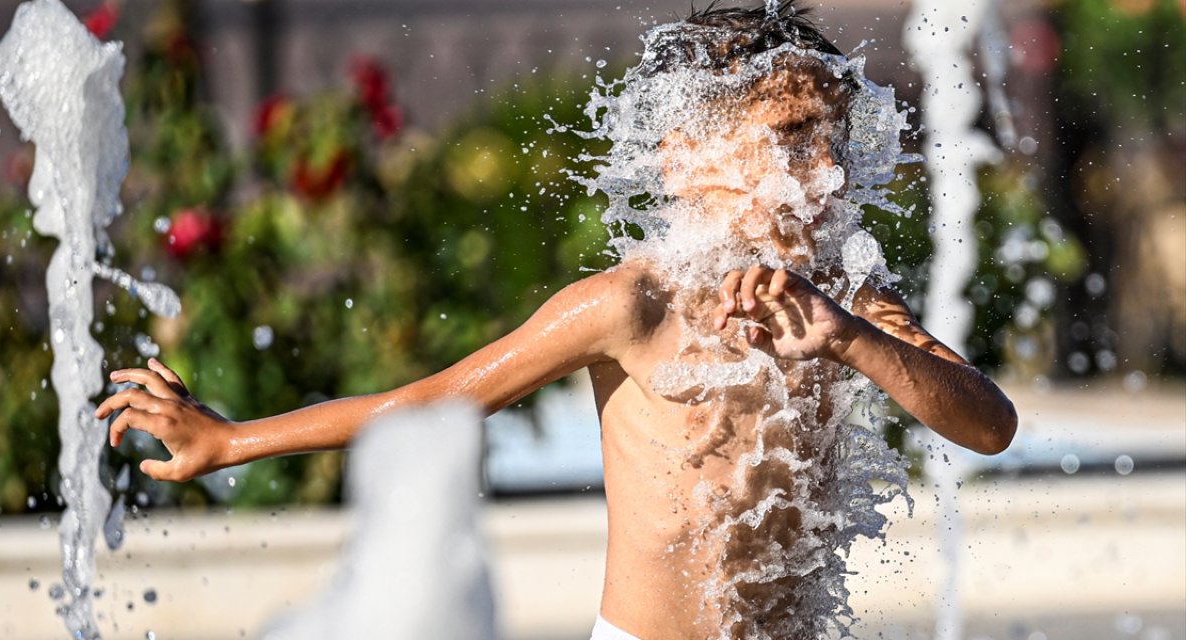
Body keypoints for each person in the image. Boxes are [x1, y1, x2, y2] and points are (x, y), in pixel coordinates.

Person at [97, 3, 1016, 638]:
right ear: (684, 156)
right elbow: (438, 399)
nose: (825, 172)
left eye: (834, 140)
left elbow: (988, 424)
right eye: (789, 139)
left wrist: (850, 340)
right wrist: (232, 442)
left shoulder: (847, 300)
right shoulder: (634, 305)